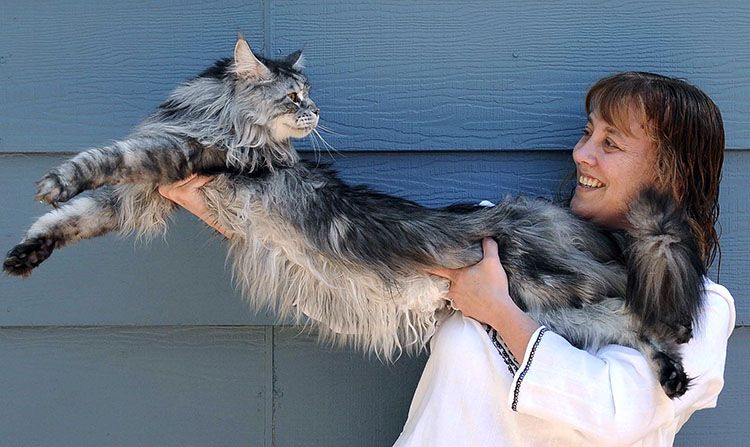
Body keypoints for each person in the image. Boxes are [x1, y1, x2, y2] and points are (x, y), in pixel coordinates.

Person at [158, 72, 735, 446]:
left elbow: (617, 412)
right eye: (588, 133)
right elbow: (361, 295)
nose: (582, 152)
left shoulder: (701, 309)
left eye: (611, 144)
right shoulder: (496, 239)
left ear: (669, 173)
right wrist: (224, 213)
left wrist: (500, 312)